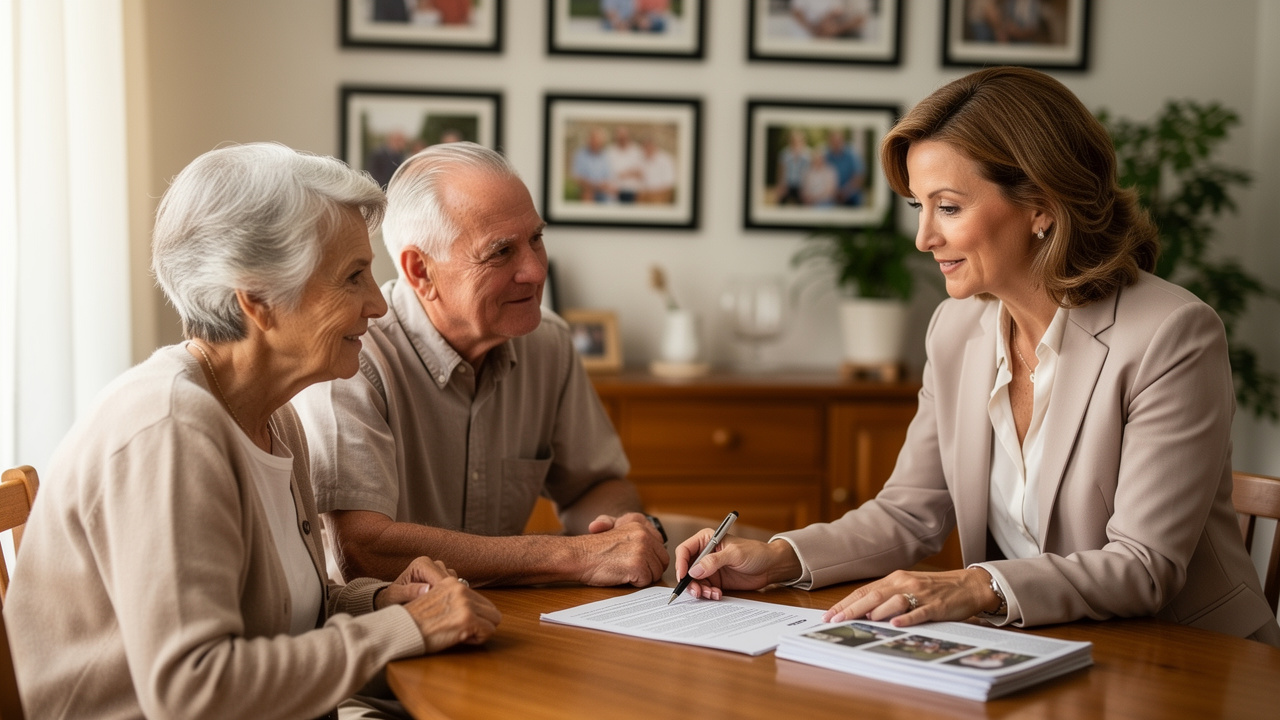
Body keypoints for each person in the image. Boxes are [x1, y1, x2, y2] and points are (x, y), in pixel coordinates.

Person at [674, 66, 1280, 647]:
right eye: (919, 207)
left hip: (1189, 659)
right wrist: (778, 557)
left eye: (948, 207)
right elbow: (908, 513)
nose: (924, 238)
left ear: (1042, 204)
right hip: (1043, 646)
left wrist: (975, 586)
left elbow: (1143, 566)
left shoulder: (1172, 334)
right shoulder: (955, 329)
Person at [2, 143, 502, 719]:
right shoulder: (169, 430)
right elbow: (195, 691)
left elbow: (283, 615)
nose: (377, 304)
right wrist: (407, 627)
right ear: (258, 299)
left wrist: (388, 602)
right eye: (353, 277)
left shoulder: (273, 416)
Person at [293, 141, 669, 589]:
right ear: (420, 271)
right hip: (390, 624)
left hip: (507, 615)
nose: (536, 271)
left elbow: (594, 486)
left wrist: (622, 528)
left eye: (536, 239)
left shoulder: (549, 344)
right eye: (501, 252)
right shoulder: (353, 357)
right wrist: (577, 555)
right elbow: (362, 549)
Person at [824, 128, 866, 206]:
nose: (835, 144)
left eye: (837, 141)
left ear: (842, 141)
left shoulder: (852, 153)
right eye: (833, 141)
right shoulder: (826, 155)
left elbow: (859, 177)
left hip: (851, 196)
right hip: (831, 195)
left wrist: (845, 192)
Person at [571, 126, 613, 203]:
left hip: (603, 191)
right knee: (587, 195)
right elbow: (577, 177)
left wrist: (603, 186)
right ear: (589, 140)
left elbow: (608, 177)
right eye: (594, 140)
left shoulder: (605, 156)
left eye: (598, 141)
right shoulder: (580, 154)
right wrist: (593, 186)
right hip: (587, 190)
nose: (596, 143)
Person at [606, 125, 645, 204]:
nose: (622, 138)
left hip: (633, 190)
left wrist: (626, 174)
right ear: (616, 137)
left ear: (628, 136)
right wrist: (630, 173)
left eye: (624, 136)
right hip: (614, 190)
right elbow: (607, 172)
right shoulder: (609, 151)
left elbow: (641, 172)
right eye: (620, 136)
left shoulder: (637, 150)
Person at [637, 133, 676, 204]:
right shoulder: (642, 160)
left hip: (660, 195)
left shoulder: (665, 159)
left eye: (649, 146)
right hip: (645, 196)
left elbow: (669, 183)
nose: (647, 149)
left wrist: (654, 194)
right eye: (644, 147)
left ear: (654, 146)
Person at [775, 128, 810, 206]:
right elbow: (780, 171)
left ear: (803, 141)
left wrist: (806, 188)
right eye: (794, 141)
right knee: (780, 202)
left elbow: (809, 172)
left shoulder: (808, 154)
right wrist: (781, 185)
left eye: (799, 140)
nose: (796, 143)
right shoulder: (784, 154)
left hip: (802, 185)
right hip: (787, 184)